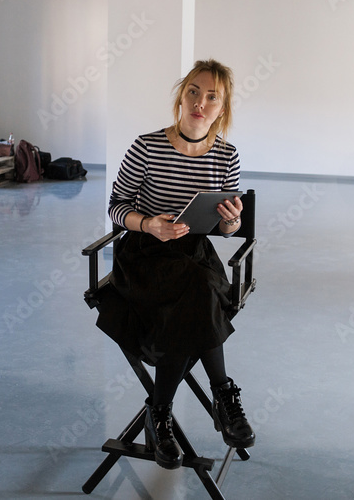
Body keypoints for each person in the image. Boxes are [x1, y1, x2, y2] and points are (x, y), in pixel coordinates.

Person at [97, 59, 255, 469]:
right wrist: (149, 223)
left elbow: (225, 229)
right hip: (145, 254)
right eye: (194, 92)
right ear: (181, 96)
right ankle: (223, 395)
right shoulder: (146, 146)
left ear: (222, 108)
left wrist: (232, 221)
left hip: (194, 253)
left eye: (212, 97)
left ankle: (159, 412)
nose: (201, 102)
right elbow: (115, 208)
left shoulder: (226, 155)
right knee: (198, 292)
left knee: (193, 288)